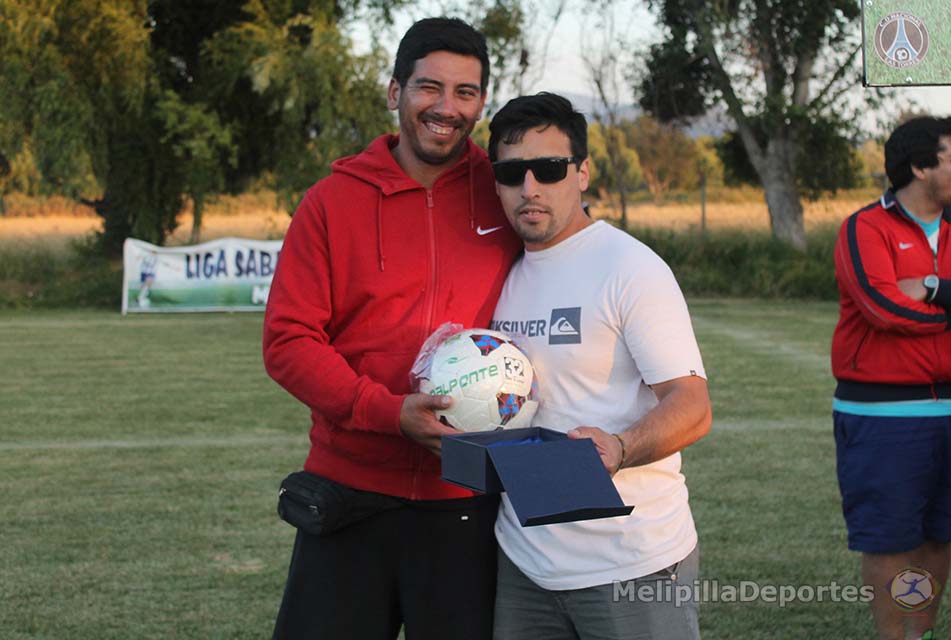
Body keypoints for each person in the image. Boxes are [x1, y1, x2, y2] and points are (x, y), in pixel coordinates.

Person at [262, 17, 521, 640]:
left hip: (467, 500)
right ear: (394, 91)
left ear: (482, 102)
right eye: (429, 87)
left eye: (465, 92)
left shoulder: (506, 193)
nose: (447, 107)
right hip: (349, 493)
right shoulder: (331, 202)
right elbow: (288, 341)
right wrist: (385, 412)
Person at [486, 92, 712, 640]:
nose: (530, 187)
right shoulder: (502, 272)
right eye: (512, 172)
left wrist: (619, 447)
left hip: (630, 562)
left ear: (582, 173)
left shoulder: (630, 267)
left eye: (549, 168)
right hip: (523, 563)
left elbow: (692, 405)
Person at [832, 116, 951, 640]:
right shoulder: (864, 228)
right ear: (920, 167)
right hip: (882, 414)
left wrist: (933, 287)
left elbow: (907, 300)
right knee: (889, 541)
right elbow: (882, 307)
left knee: (938, 536)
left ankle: (920, 634)